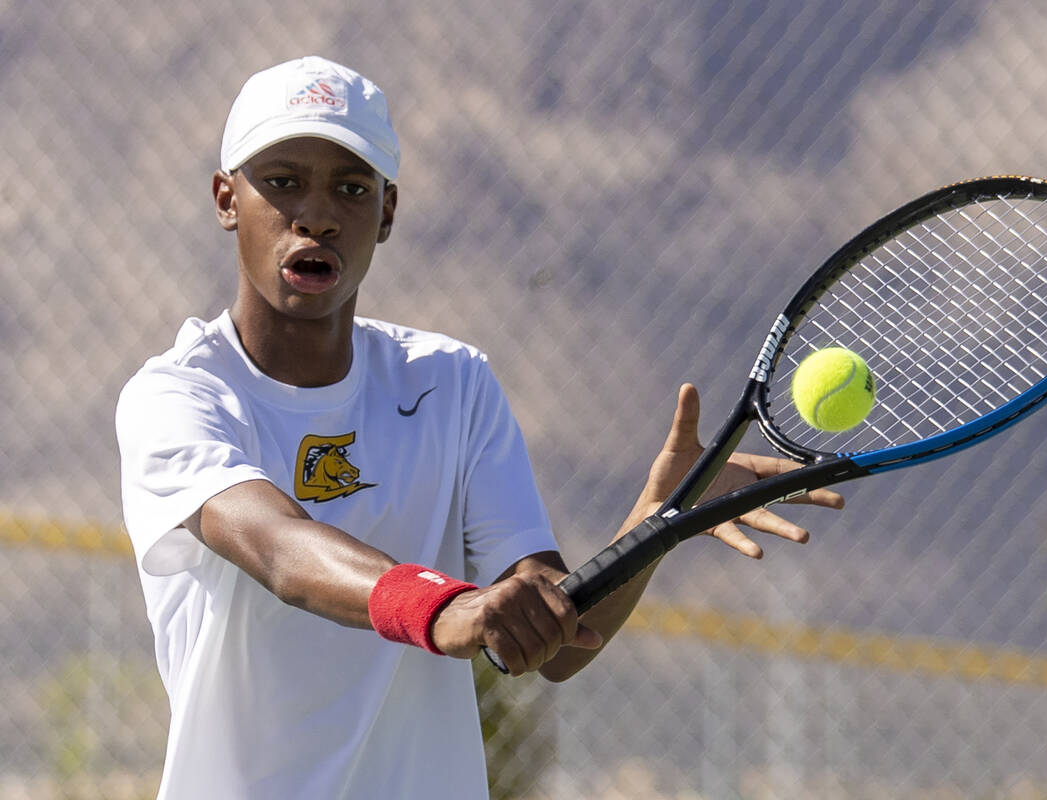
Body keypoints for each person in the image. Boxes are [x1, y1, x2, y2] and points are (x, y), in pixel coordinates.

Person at [115, 56, 844, 799]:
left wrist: (657, 520)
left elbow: (552, 641)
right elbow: (280, 551)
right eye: (281, 181)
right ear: (225, 198)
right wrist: (447, 608)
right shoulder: (178, 396)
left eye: (351, 188)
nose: (317, 213)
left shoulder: (452, 383)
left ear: (387, 213)